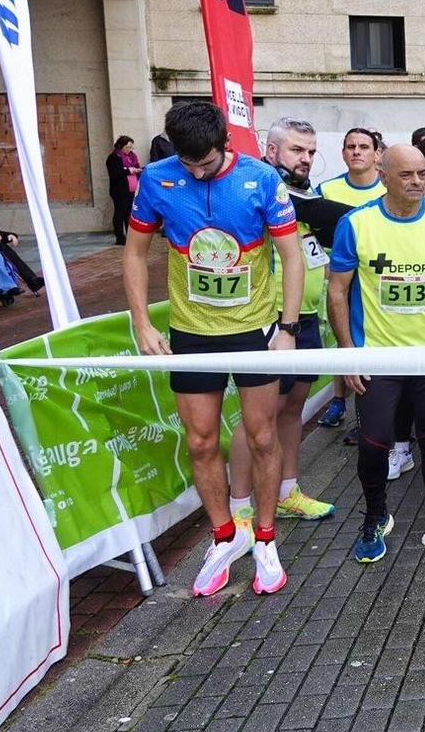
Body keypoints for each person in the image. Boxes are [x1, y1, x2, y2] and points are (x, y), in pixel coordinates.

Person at [123, 101, 303, 597]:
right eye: (189, 164)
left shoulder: (261, 179)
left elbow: (291, 256)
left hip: (251, 329)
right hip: (191, 331)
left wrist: (287, 327)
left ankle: (265, 538)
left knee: (261, 437)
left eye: (206, 162)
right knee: (201, 442)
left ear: (224, 143)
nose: (198, 172)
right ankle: (225, 535)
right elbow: (135, 253)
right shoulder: (158, 179)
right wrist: (142, 321)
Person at [328, 144, 425, 564]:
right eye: (407, 175)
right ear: (384, 174)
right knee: (374, 446)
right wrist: (348, 354)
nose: (417, 182)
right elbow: (336, 291)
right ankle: (374, 516)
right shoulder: (356, 224)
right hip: (377, 359)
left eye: (422, 174)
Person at [237, 117, 339, 523]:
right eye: (297, 150)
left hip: (306, 316)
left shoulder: (305, 190)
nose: (306, 158)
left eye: (312, 151)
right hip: (273, 317)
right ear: (272, 149)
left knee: (294, 407)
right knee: (258, 417)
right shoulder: (260, 184)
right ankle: (240, 509)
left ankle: (286, 491)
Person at [314, 127, 387, 430]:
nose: (357, 151)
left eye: (364, 147)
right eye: (350, 146)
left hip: (378, 277)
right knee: (340, 338)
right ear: (343, 153)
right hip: (338, 278)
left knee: (372, 338)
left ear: (377, 154)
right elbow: (310, 234)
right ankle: (339, 400)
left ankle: (369, 409)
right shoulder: (325, 189)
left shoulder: (388, 189)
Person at [106, 135, 142, 245]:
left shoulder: (132, 157)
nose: (129, 150)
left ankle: (129, 236)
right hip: (119, 190)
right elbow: (115, 174)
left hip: (130, 189)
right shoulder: (114, 157)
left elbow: (134, 167)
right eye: (127, 147)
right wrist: (128, 171)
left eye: (131, 147)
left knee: (128, 214)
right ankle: (120, 236)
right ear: (121, 146)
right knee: (120, 213)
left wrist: (137, 170)